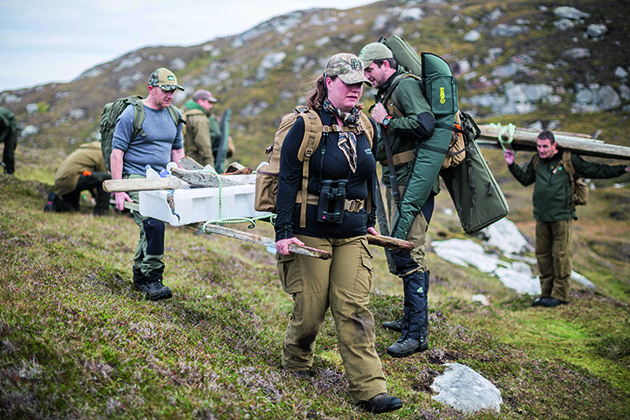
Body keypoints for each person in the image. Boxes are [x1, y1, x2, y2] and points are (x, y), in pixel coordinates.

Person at [274, 53, 402, 414]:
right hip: (309, 231)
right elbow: (286, 181)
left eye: (360, 84)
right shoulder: (304, 125)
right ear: (328, 83)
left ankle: (371, 389)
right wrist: (284, 232)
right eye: (348, 84)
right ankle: (297, 362)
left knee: (354, 309)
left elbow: (368, 176)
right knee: (310, 310)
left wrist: (371, 217)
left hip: (352, 232)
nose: (355, 90)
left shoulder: (364, 124)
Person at [358, 41, 438, 358]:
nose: (366, 76)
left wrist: (387, 121)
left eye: (370, 69)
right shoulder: (388, 92)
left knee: (411, 251)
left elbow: (426, 124)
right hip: (398, 179)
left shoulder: (403, 87)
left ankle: (416, 335)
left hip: (413, 181)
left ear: (386, 65)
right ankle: (409, 321)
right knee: (403, 248)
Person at [504, 130, 630, 307]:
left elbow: (595, 170)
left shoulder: (568, 159)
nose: (541, 150)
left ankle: (560, 296)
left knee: (561, 255)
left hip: (562, 217)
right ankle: (546, 294)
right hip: (541, 217)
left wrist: (623, 169)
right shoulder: (537, 161)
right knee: (543, 255)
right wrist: (511, 164)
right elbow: (526, 180)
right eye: (538, 146)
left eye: (545, 146)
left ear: (554, 146)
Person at [111, 67, 185, 301]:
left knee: (152, 225)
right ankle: (153, 278)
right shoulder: (132, 114)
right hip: (135, 176)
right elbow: (117, 154)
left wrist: (183, 181)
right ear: (151, 89)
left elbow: (177, 152)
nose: (170, 95)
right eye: (166, 90)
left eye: (173, 90)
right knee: (154, 221)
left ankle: (140, 275)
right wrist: (119, 189)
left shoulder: (175, 115)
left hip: (162, 178)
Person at [44, 141, 111, 216]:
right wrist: (97, 196)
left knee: (72, 208)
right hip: (72, 180)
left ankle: (54, 203)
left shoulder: (86, 149)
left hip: (62, 182)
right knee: (107, 178)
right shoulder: (101, 153)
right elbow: (102, 180)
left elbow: (93, 178)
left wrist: (94, 193)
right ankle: (101, 213)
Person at [181, 89, 218, 167]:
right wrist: (210, 167)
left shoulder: (182, 113)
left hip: (182, 161)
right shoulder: (200, 118)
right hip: (195, 164)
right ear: (201, 101)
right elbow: (204, 146)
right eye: (209, 102)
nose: (211, 106)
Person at [0, 107, 19, 175]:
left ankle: (9, 172)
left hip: (10, 126)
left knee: (9, 150)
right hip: (2, 126)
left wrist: (1, 138)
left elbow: (8, 127)